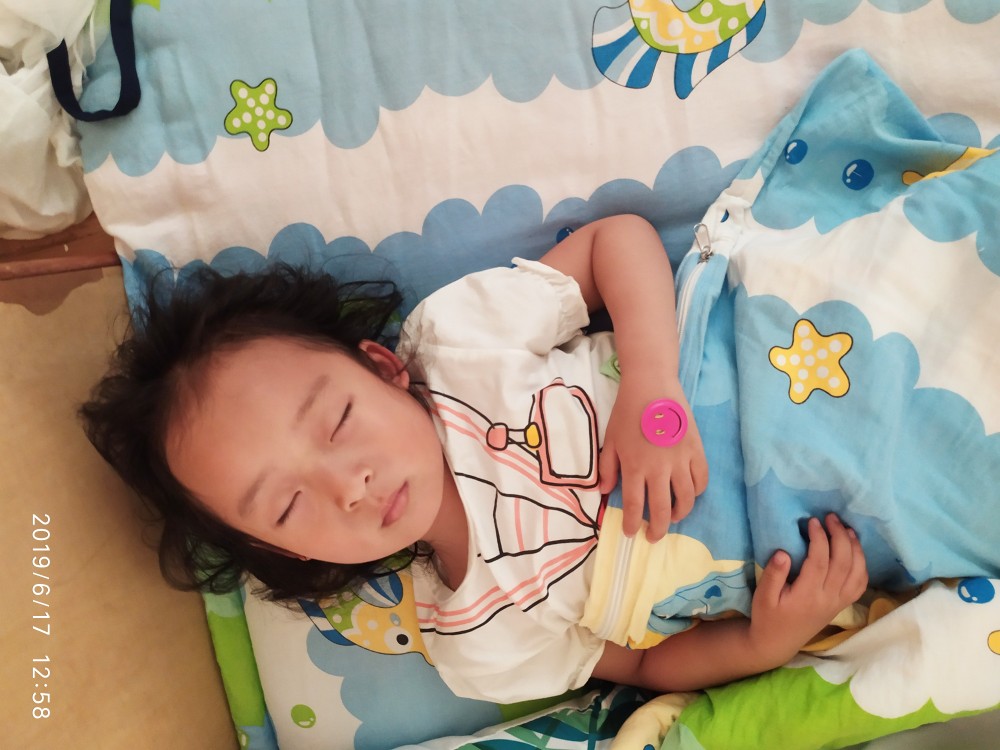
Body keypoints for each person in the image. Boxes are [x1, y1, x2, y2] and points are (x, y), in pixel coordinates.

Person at [82, 214, 868, 703]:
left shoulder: (458, 344)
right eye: (289, 506)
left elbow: (617, 242)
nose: (348, 484)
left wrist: (652, 386)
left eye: (338, 420)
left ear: (382, 368)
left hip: (788, 365)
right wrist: (765, 643)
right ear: (285, 552)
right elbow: (644, 668)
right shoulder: (479, 646)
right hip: (830, 533)